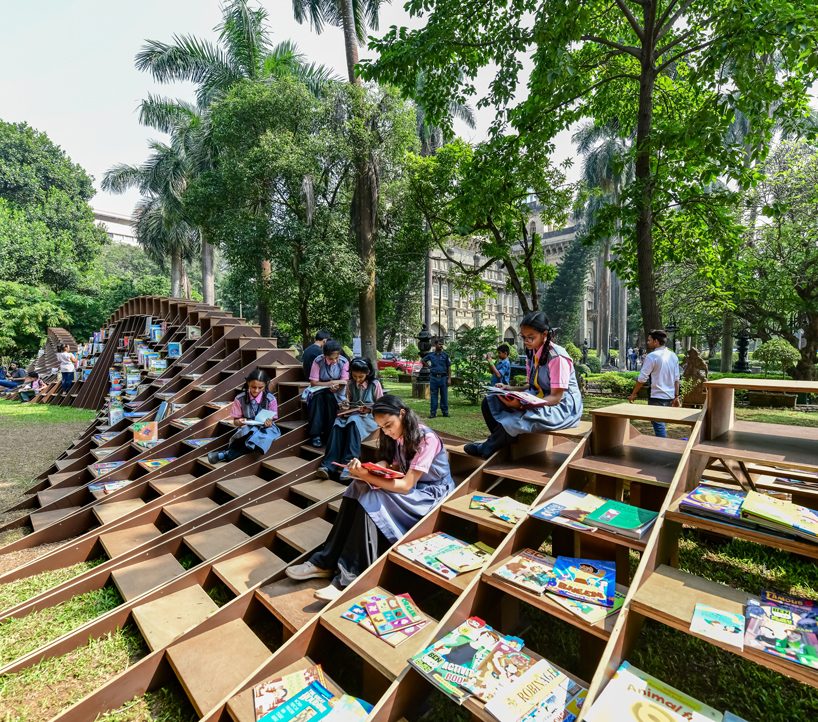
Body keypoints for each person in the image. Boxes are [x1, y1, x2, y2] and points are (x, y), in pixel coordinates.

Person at [286, 395, 455, 601]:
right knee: (357, 485)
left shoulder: (426, 439)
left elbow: (406, 485)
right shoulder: (399, 435)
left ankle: (349, 577)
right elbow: (395, 465)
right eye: (382, 428)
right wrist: (374, 468)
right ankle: (325, 562)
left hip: (430, 495)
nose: (387, 431)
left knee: (373, 496)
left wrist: (367, 475)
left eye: (388, 425)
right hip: (413, 489)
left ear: (402, 414)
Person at [465, 311, 583, 459]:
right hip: (539, 398)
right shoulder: (531, 353)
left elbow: (556, 397)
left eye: (530, 337)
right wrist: (509, 389)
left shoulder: (557, 357)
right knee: (490, 402)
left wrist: (523, 405)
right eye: (523, 337)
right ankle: (505, 442)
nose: (526, 341)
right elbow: (532, 385)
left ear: (544, 334)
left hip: (562, 407)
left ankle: (488, 447)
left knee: (519, 418)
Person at [315, 357, 384, 480]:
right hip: (353, 415)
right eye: (354, 376)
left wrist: (369, 409)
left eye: (361, 377)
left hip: (370, 417)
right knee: (337, 423)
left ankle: (349, 465)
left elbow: (382, 406)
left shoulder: (375, 384)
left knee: (353, 421)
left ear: (368, 373)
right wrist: (345, 405)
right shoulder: (350, 384)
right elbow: (348, 401)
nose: (357, 379)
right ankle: (328, 465)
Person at [207, 369, 280, 464]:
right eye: (253, 387)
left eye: (260, 387)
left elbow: (272, 419)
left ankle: (225, 454)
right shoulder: (239, 398)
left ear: (265, 385)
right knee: (249, 434)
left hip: (266, 429)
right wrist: (239, 421)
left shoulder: (271, 399)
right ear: (248, 383)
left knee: (258, 438)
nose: (256, 390)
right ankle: (226, 454)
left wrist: (269, 423)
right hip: (248, 427)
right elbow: (235, 422)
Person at [627, 329, 680, 437]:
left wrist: (633, 394)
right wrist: (676, 396)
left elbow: (642, 378)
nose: (647, 342)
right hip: (670, 397)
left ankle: (663, 446)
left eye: (649, 340)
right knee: (660, 424)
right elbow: (676, 379)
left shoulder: (652, 356)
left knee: (659, 426)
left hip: (657, 397)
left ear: (656, 341)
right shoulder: (673, 356)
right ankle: (663, 444)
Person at [305, 339, 350, 447]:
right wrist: (330, 383)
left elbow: (345, 381)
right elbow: (313, 383)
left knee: (330, 399)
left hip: (337, 393)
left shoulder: (344, 362)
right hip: (319, 391)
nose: (334, 361)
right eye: (331, 358)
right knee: (318, 399)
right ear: (324, 355)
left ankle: (329, 433)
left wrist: (336, 386)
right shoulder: (318, 361)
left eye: (336, 357)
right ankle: (315, 435)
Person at [423, 338, 451, 418]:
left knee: (444, 396)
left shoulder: (445, 355)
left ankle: (445, 412)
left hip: (443, 378)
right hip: (434, 378)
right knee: (433, 396)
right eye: (439, 344)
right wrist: (430, 367)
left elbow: (449, 367)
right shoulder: (431, 355)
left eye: (442, 344)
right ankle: (433, 413)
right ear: (435, 345)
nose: (441, 346)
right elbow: (423, 360)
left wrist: (449, 378)